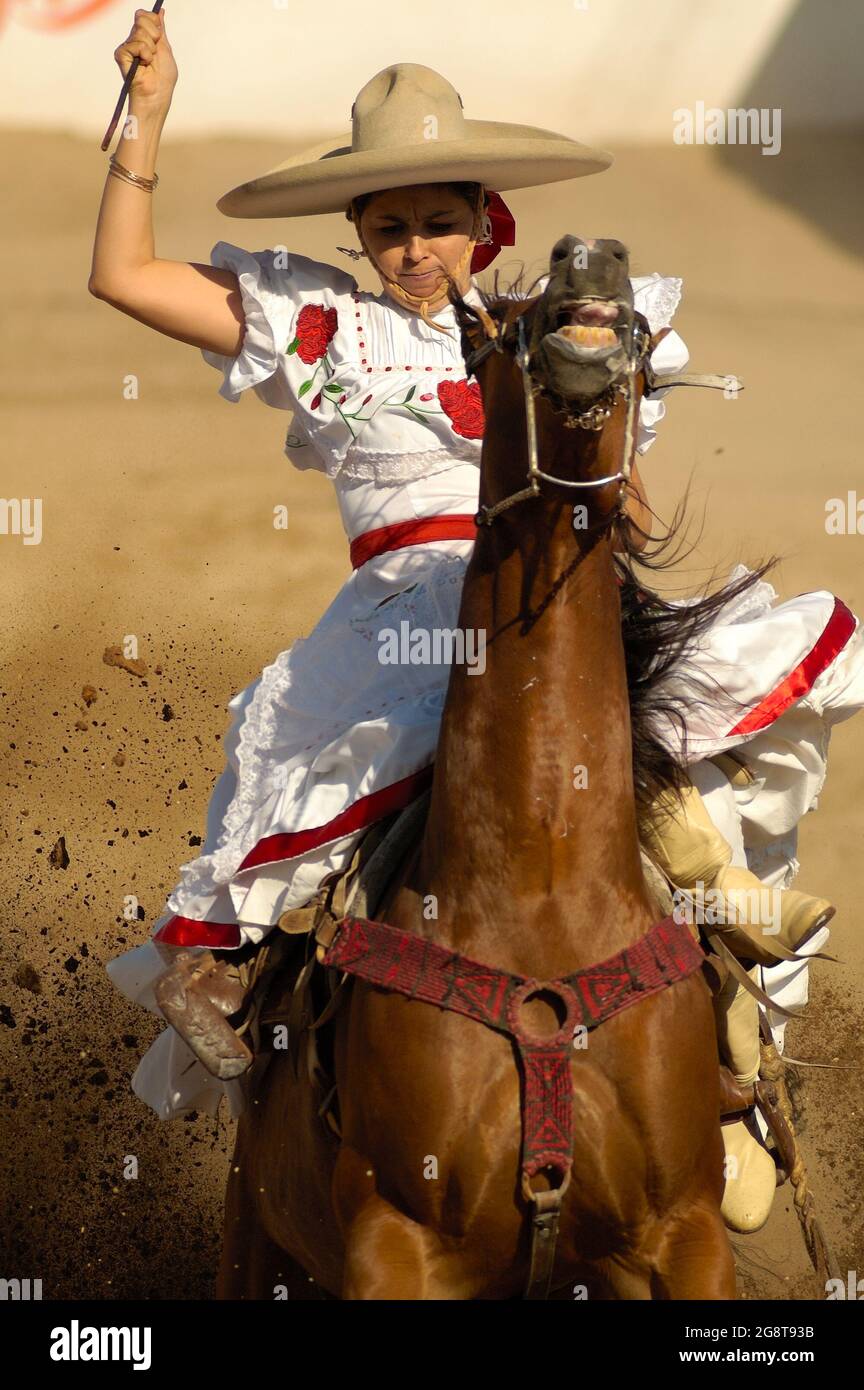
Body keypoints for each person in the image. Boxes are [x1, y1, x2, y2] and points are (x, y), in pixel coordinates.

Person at [93, 9, 864, 1235]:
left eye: (437, 221)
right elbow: (123, 276)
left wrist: (617, 603)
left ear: (485, 219)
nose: (413, 248)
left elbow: (614, 487)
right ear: (355, 232)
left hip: (558, 582)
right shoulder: (322, 328)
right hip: (403, 607)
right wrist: (146, 108)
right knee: (348, 758)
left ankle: (721, 983)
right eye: (387, 227)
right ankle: (247, 966)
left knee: (673, 717)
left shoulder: (556, 332)